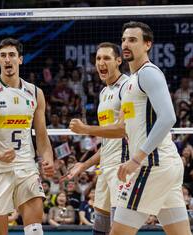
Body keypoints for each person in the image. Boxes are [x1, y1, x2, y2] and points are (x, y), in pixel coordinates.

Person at [111, 21, 191, 235]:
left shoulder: (149, 73)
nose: (126, 44)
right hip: (166, 166)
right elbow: (125, 127)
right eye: (124, 39)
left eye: (133, 40)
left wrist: (136, 159)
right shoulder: (130, 81)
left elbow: (168, 117)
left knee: (118, 233)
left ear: (148, 45)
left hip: (151, 165)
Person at [0, 37, 54, 235]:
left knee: (35, 230)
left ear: (20, 59)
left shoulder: (35, 93)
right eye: (3, 56)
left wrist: (48, 159)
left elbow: (41, 136)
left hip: (26, 166)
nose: (7, 60)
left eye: (12, 55)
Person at [60, 42, 129, 235]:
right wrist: (83, 165)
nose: (101, 63)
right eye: (98, 59)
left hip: (123, 165)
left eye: (106, 58)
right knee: (100, 225)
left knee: (119, 229)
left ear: (118, 60)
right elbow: (108, 142)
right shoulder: (104, 92)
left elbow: (123, 130)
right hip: (106, 166)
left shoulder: (127, 87)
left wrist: (85, 129)